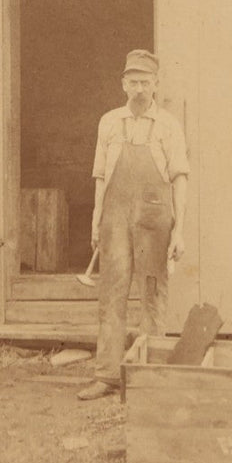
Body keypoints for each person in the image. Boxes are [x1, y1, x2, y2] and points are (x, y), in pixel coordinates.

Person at [77, 49, 189, 401]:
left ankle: (151, 375)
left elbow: (179, 178)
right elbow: (99, 176)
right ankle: (107, 375)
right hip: (114, 219)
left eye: (146, 82)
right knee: (112, 293)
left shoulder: (169, 125)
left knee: (154, 293)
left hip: (155, 220)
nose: (140, 89)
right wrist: (97, 220)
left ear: (156, 85)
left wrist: (179, 229)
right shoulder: (109, 122)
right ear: (124, 85)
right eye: (133, 82)